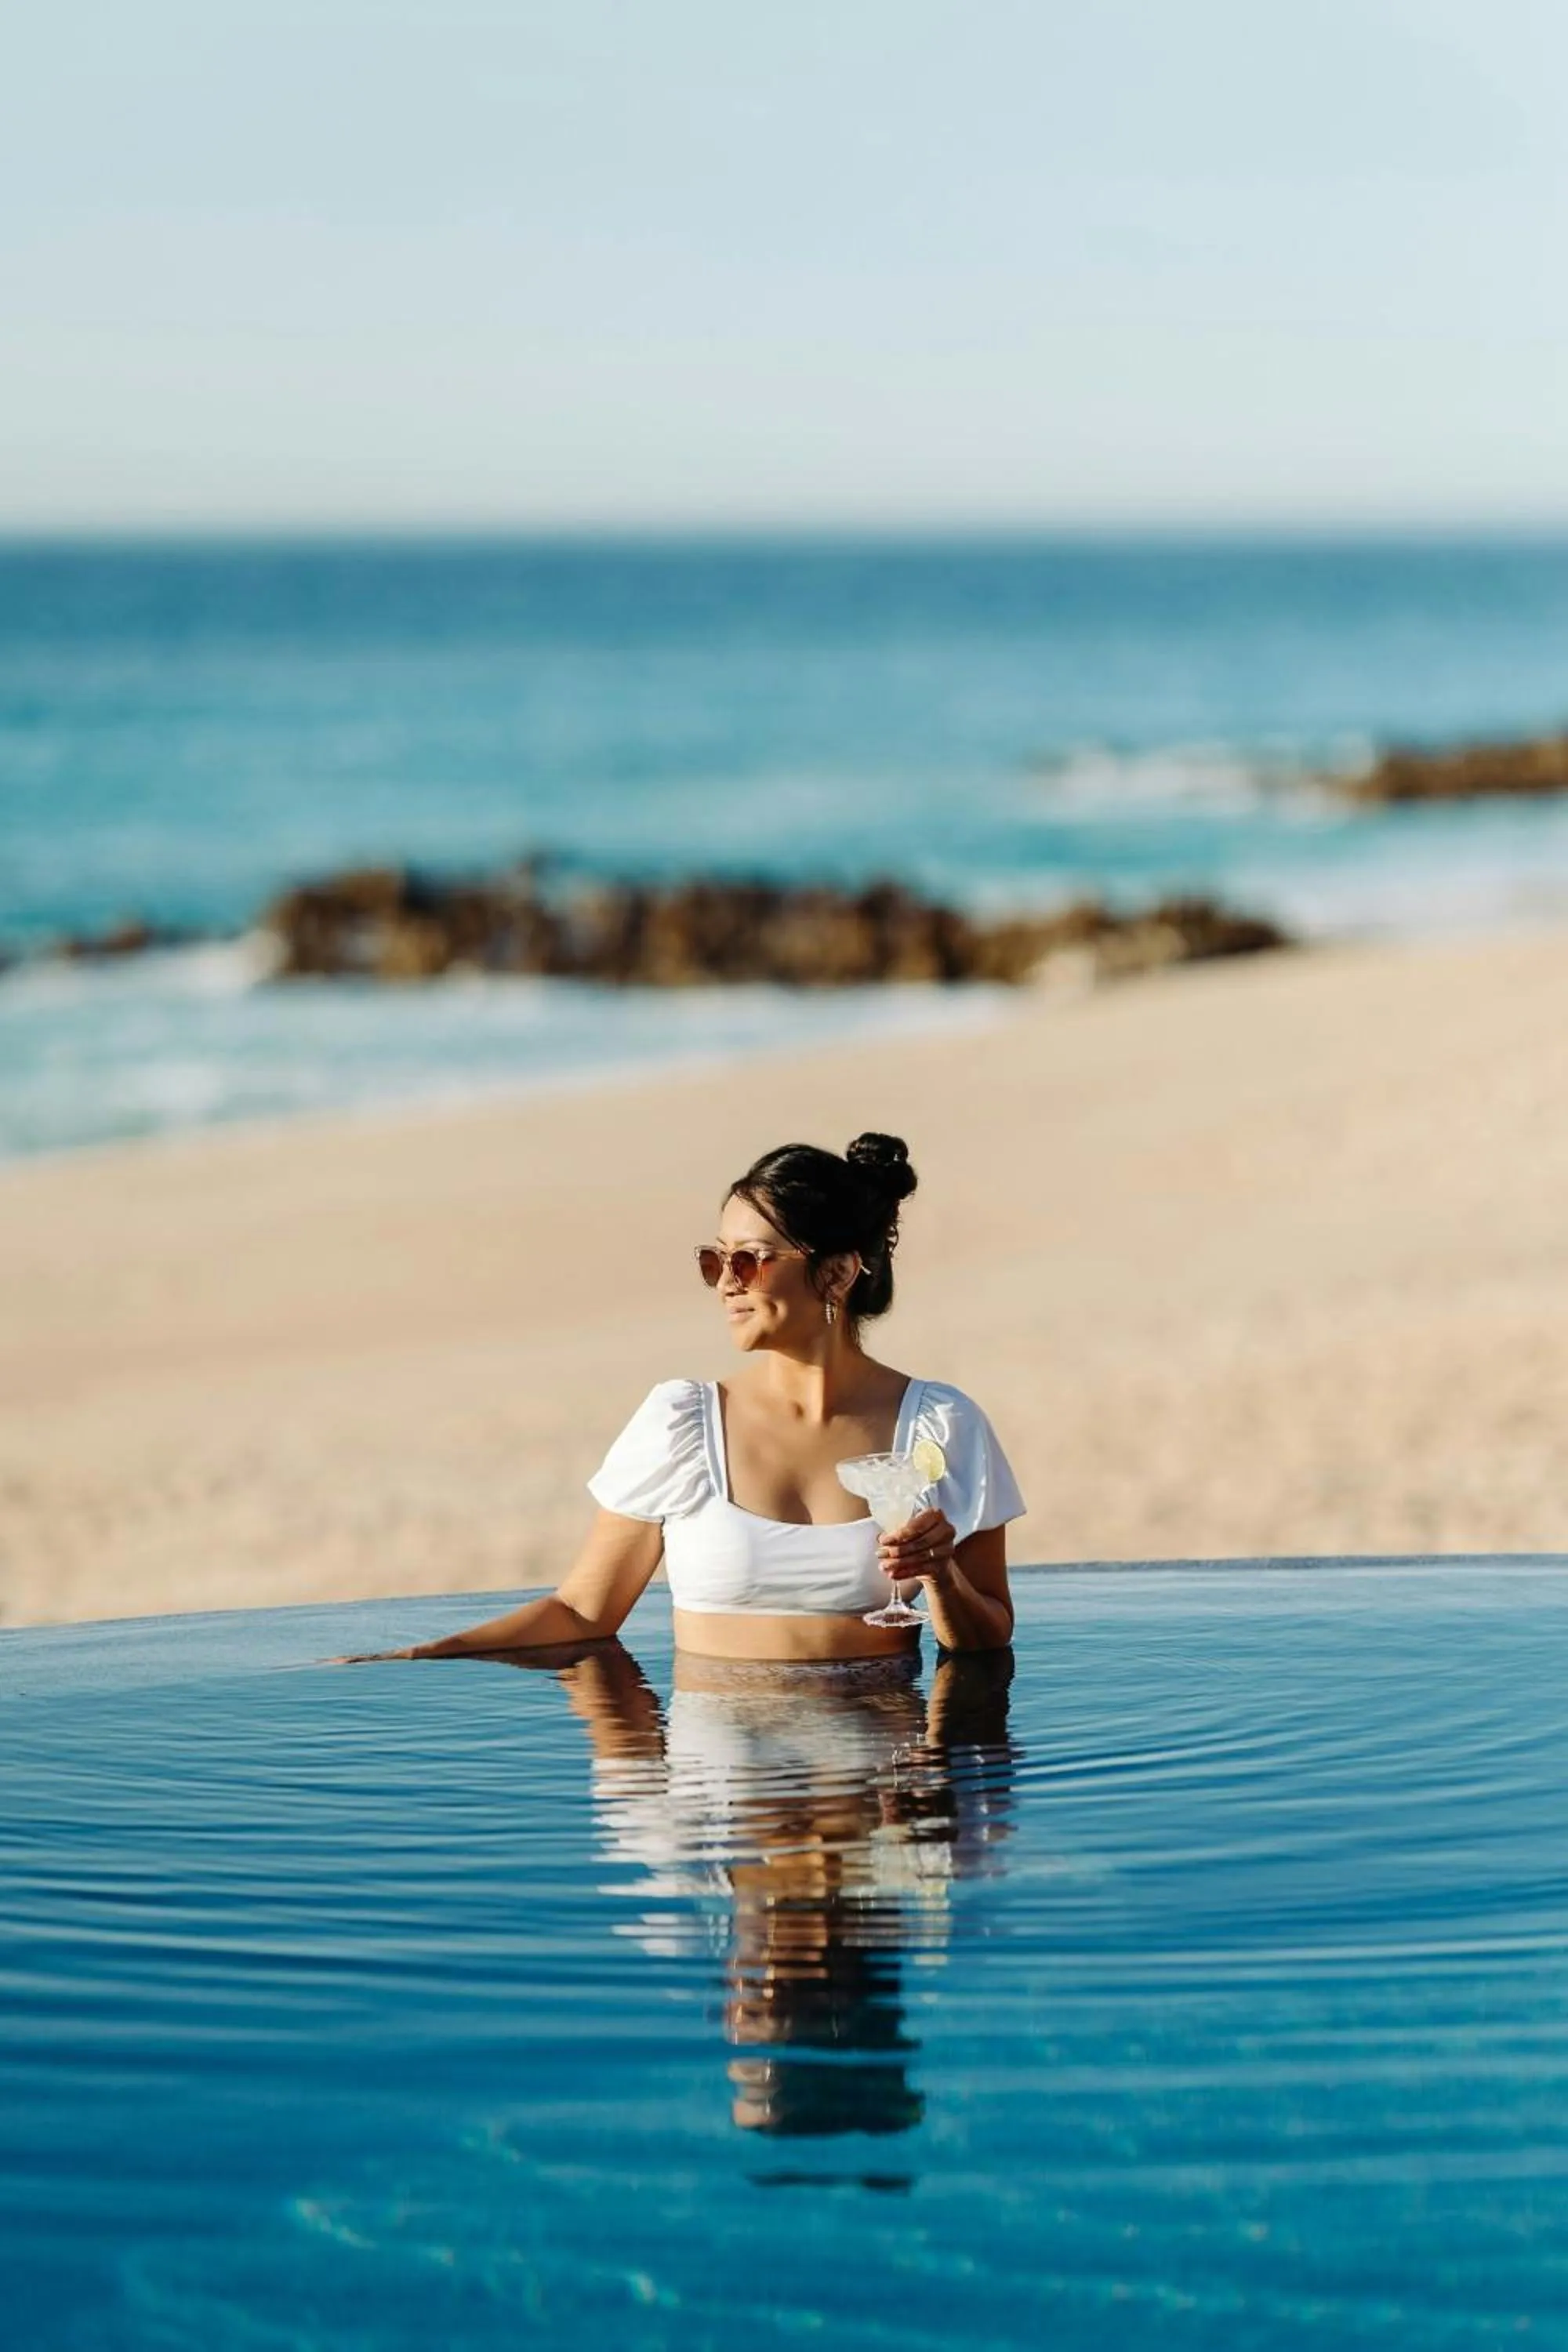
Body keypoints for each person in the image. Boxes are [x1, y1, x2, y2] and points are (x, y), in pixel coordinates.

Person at [351, 1132, 1024, 1664]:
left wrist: (941, 1578)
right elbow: (582, 1614)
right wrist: (427, 1653)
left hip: (877, 1811)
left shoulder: (941, 1426)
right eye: (715, 1259)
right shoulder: (681, 1423)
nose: (726, 1283)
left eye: (750, 1260)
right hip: (724, 1815)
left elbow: (989, 1636)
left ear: (839, 1272)